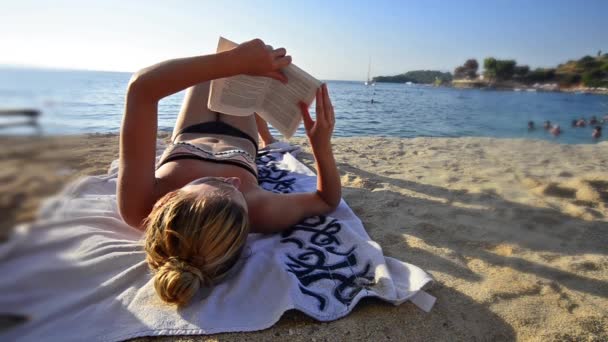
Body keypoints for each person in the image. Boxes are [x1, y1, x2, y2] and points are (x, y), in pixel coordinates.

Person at [118, 39, 341, 306]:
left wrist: (234, 61)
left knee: (221, 61)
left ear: (168, 201)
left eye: (217, 183)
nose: (234, 181)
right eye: (239, 192)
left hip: (191, 131)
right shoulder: (260, 210)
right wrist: (321, 146)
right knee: (245, 75)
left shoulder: (139, 206)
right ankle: (266, 138)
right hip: (240, 140)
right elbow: (326, 200)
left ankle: (242, 76)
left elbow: (142, 88)